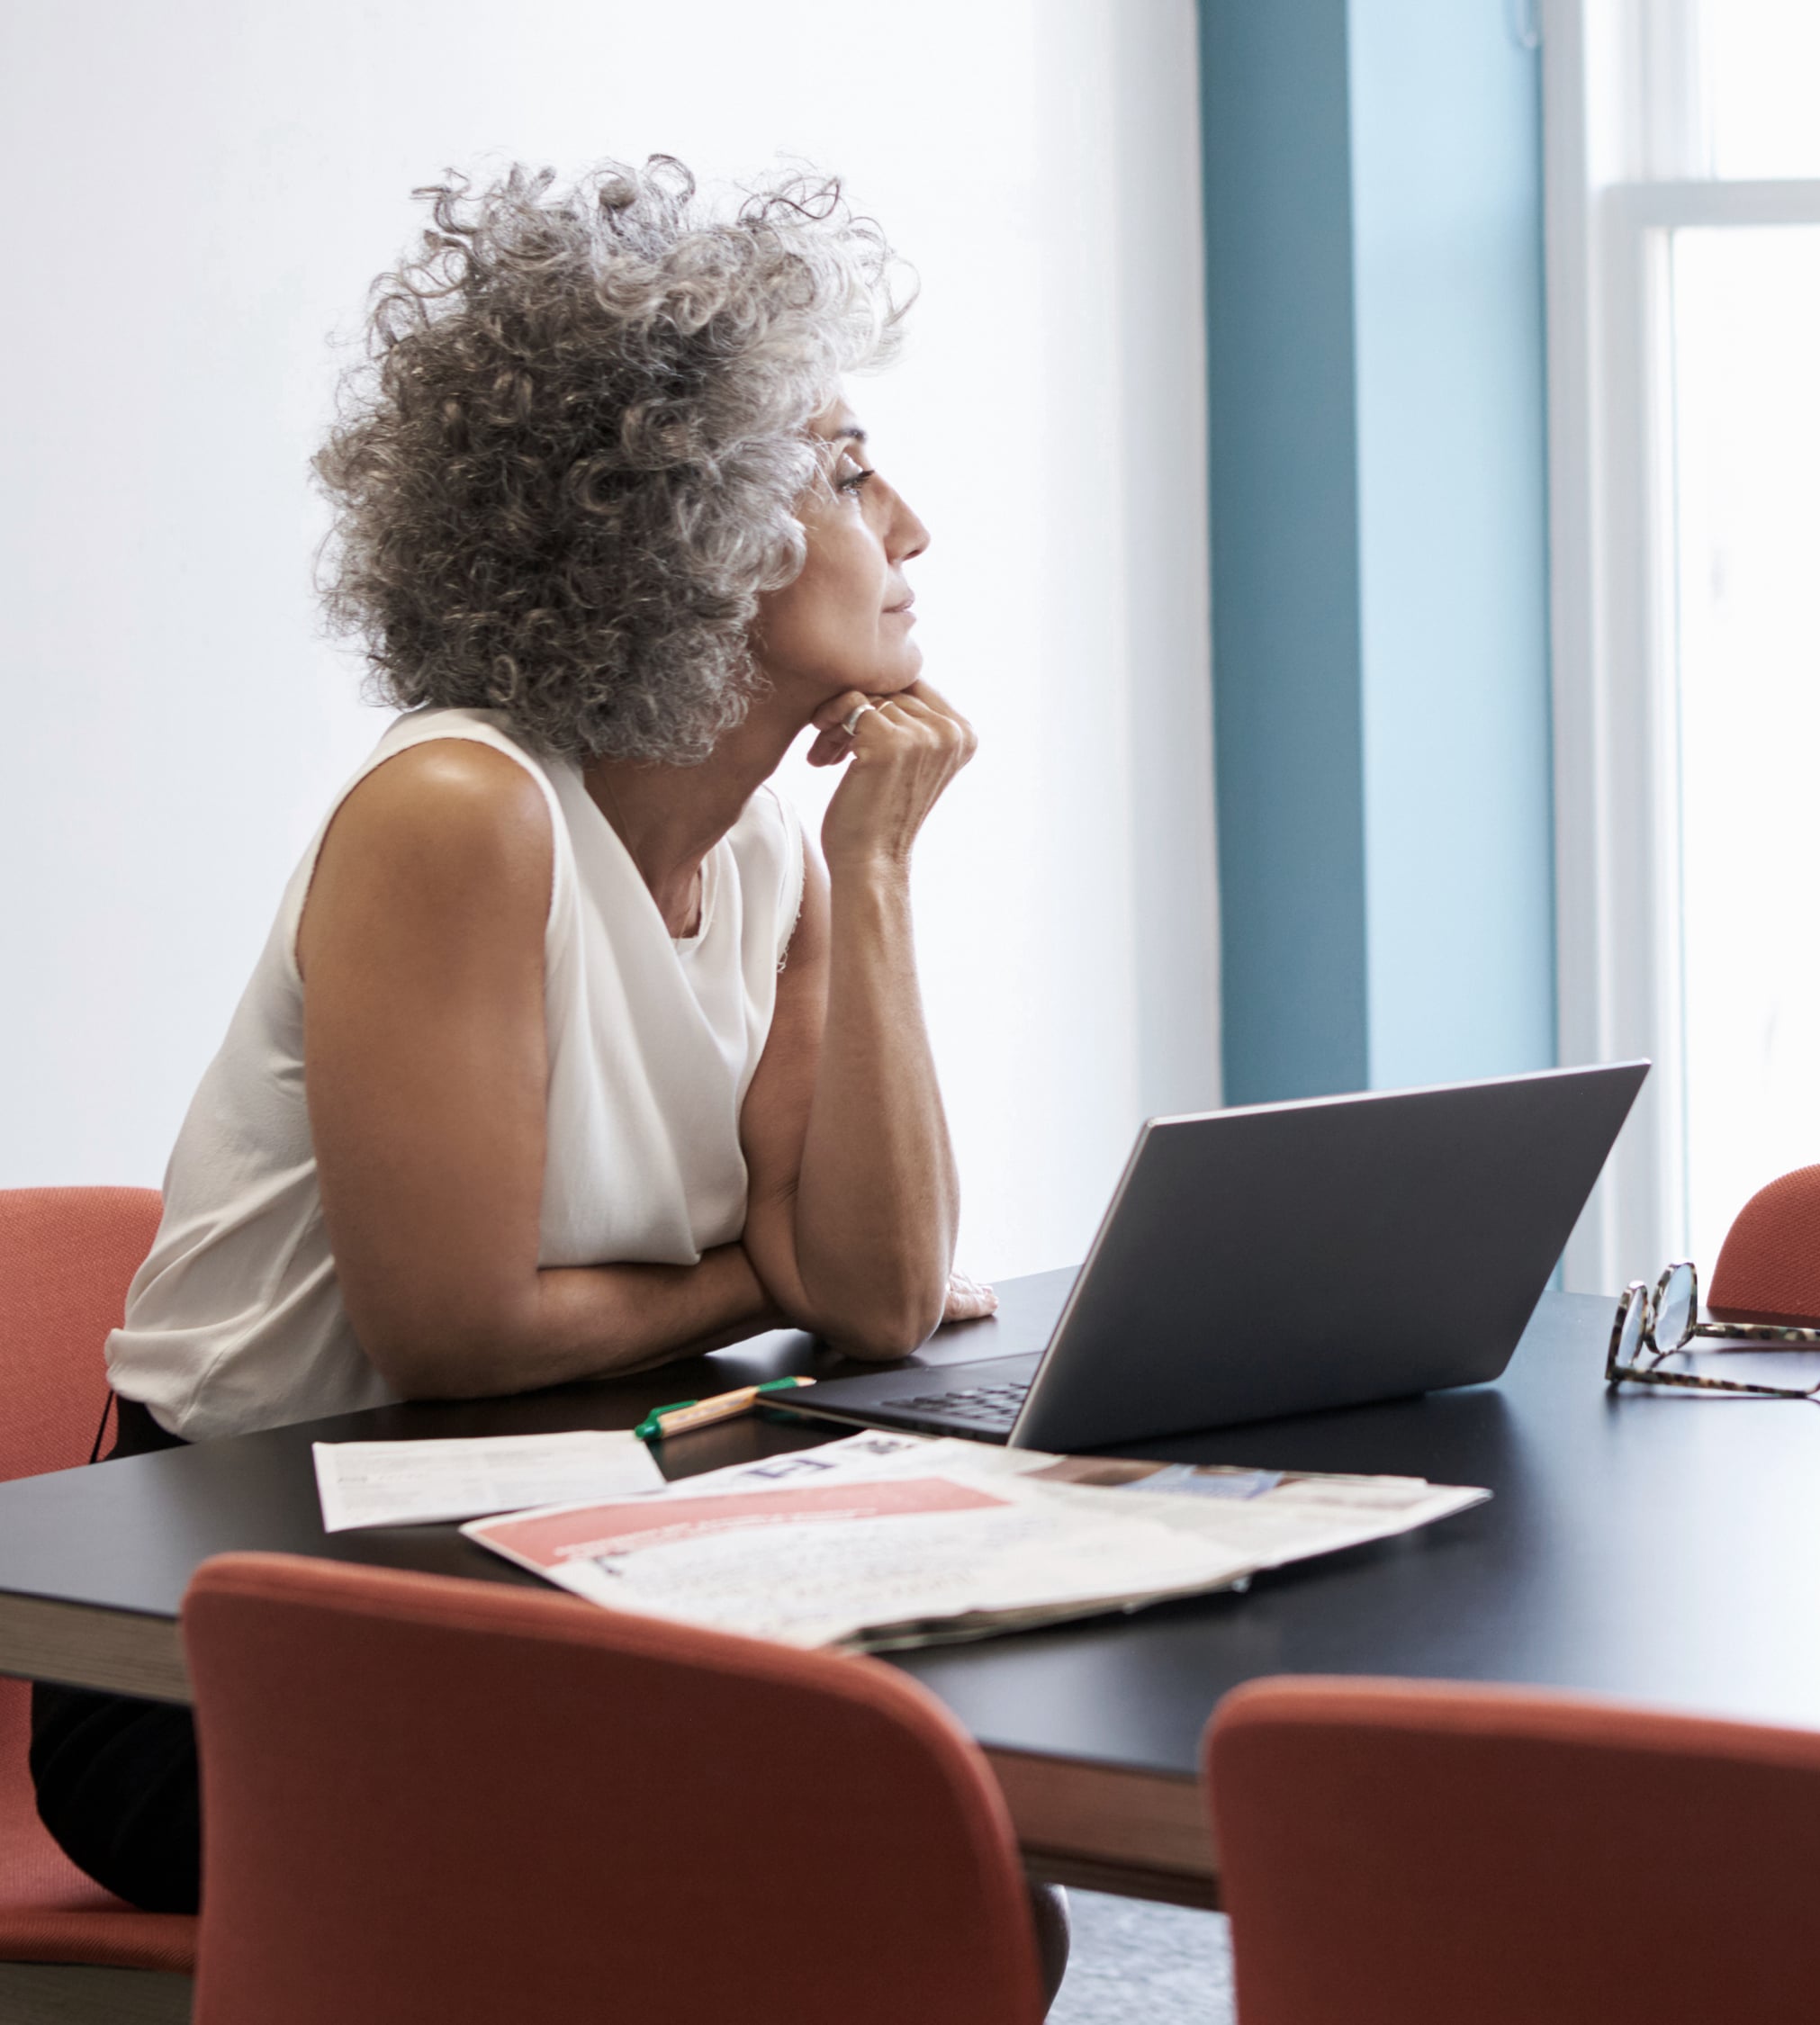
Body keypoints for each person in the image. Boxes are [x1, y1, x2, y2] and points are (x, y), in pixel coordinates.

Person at [31, 155, 1068, 1996]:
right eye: (847, 469)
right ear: (687, 533)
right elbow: (454, 1335)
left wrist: (880, 864)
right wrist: (758, 1277)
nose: (908, 525)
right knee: (887, 1887)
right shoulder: (458, 814)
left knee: (957, 1883)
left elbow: (882, 1291)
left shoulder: (773, 853)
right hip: (230, 1644)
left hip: (543, 1550)